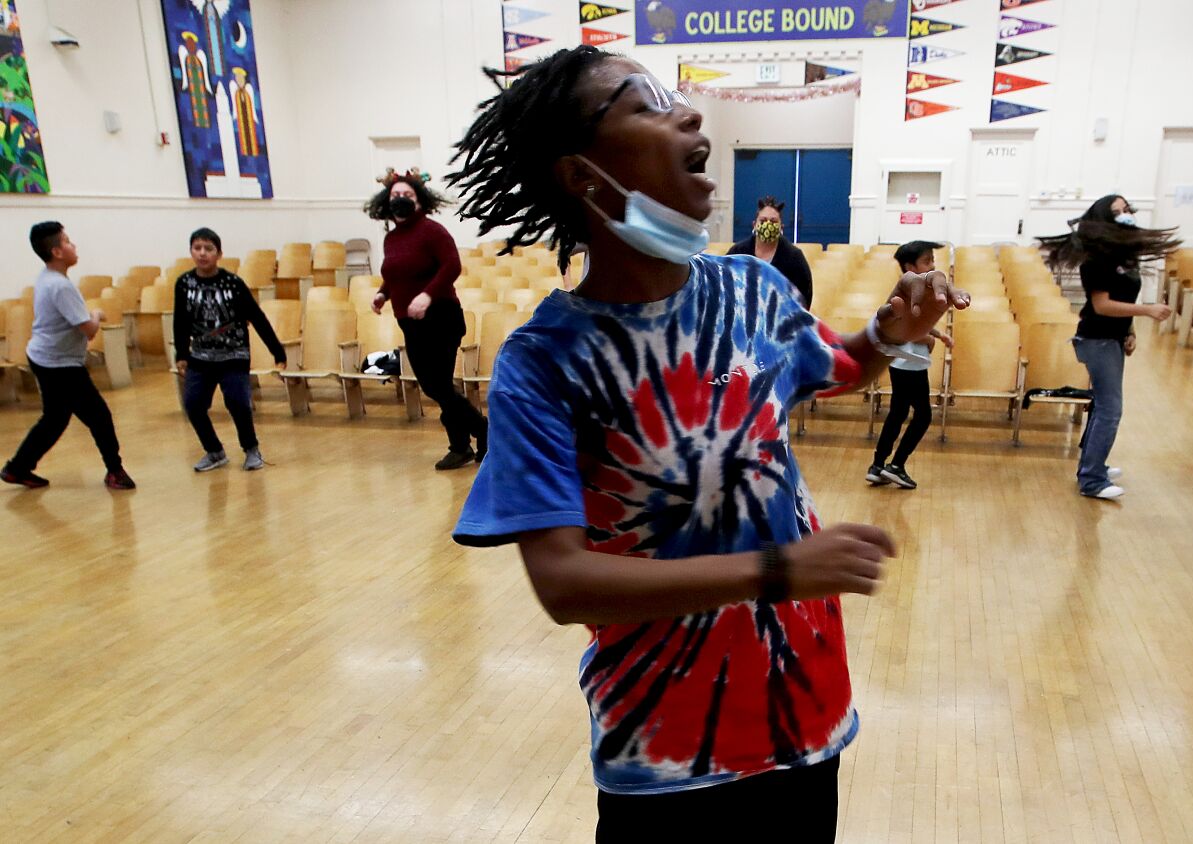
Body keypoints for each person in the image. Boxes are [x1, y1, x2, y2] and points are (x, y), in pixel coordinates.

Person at [446, 46, 969, 840]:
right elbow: (563, 582)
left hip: (805, 714)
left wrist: (888, 332)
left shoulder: (754, 289)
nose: (689, 114)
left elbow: (837, 369)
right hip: (666, 752)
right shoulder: (544, 361)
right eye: (646, 103)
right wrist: (776, 571)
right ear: (585, 176)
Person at [1039, 194, 1176, 500]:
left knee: (1102, 406)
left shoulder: (1123, 256)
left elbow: (1123, 302)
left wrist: (1129, 330)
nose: (1125, 214)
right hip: (1095, 338)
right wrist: (1148, 311)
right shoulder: (1097, 259)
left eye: (1127, 209)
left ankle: (1092, 464)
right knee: (1111, 410)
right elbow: (1102, 306)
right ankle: (1092, 479)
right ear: (1103, 218)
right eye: (1117, 211)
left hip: (1112, 339)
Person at [364, 168, 488, 470]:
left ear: (420, 200)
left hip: (441, 318)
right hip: (411, 322)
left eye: (407, 195)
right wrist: (383, 294)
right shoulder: (391, 238)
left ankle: (477, 435)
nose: (401, 200)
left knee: (438, 386)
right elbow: (395, 274)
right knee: (436, 386)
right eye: (396, 196)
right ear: (386, 201)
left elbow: (451, 266)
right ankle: (467, 442)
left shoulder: (432, 231)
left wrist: (428, 295)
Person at [2, 222, 136, 490]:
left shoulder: (47, 278)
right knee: (99, 416)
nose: (73, 245)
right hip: (58, 364)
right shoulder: (60, 287)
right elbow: (88, 330)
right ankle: (115, 471)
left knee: (55, 418)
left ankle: (17, 468)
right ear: (57, 252)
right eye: (67, 241)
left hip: (45, 358)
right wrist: (96, 314)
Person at [174, 227, 287, 472]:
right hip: (200, 356)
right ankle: (214, 451)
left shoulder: (233, 284)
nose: (202, 253)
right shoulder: (184, 283)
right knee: (193, 404)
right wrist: (182, 353)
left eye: (208, 249)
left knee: (237, 402)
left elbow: (257, 318)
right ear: (191, 251)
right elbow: (180, 321)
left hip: (234, 355)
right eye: (197, 248)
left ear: (219, 253)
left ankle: (251, 449)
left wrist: (277, 352)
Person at [866, 241, 953, 490]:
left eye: (933, 259)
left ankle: (878, 465)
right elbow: (908, 328)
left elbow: (920, 322)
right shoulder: (906, 293)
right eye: (927, 260)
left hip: (902, 363)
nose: (933, 265)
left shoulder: (913, 290)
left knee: (898, 413)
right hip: (910, 364)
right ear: (909, 266)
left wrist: (938, 335)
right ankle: (897, 465)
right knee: (923, 416)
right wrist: (926, 338)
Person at [726, 195, 814, 308]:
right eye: (763, 221)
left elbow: (804, 295)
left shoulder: (794, 257)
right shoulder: (737, 253)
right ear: (754, 225)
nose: (768, 225)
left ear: (781, 227)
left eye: (773, 221)